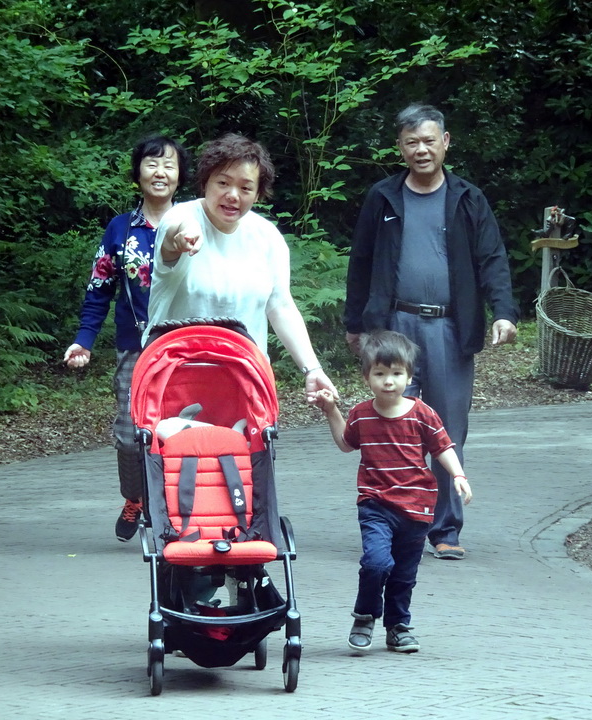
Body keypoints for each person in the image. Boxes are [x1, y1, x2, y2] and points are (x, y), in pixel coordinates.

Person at [343, 104, 518, 561]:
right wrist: (354, 324)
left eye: (428, 140)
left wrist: (504, 312)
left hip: (448, 327)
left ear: (445, 141)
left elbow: (492, 259)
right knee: (391, 426)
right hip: (393, 326)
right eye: (410, 142)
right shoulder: (383, 197)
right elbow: (360, 262)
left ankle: (445, 529)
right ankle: (395, 521)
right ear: (400, 147)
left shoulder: (467, 198)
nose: (420, 149)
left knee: (447, 430)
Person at [64, 134, 191, 542]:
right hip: (134, 346)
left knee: (181, 428)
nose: (160, 172)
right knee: (129, 435)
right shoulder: (120, 229)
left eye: (169, 165)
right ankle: (135, 498)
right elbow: (99, 287)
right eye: (152, 164)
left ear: (180, 176)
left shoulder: (194, 223)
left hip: (186, 347)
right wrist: (84, 339)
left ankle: (176, 505)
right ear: (138, 173)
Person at [145, 132, 338, 400]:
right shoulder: (181, 216)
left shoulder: (267, 237)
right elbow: (173, 232)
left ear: (258, 193)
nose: (233, 195)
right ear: (206, 182)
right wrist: (186, 234)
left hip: (244, 381)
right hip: (176, 379)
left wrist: (312, 368)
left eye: (246, 188)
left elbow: (280, 305)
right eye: (223, 182)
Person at [313, 330, 472, 653]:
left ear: (409, 376)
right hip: (376, 503)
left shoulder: (422, 413)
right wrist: (331, 411)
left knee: (403, 573)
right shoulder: (361, 413)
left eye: (397, 373)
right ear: (367, 377)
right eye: (380, 373)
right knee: (376, 563)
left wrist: (458, 474)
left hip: (416, 507)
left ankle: (398, 626)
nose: (389, 381)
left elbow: (443, 446)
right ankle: (365, 615)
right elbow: (346, 444)